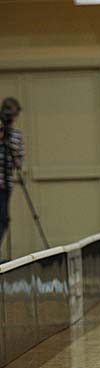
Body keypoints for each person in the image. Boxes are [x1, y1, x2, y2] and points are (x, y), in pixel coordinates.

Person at [0, 97, 24, 260]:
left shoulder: (16, 136)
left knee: (3, 219)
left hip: (5, 184)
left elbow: (18, 162)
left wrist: (9, 145)